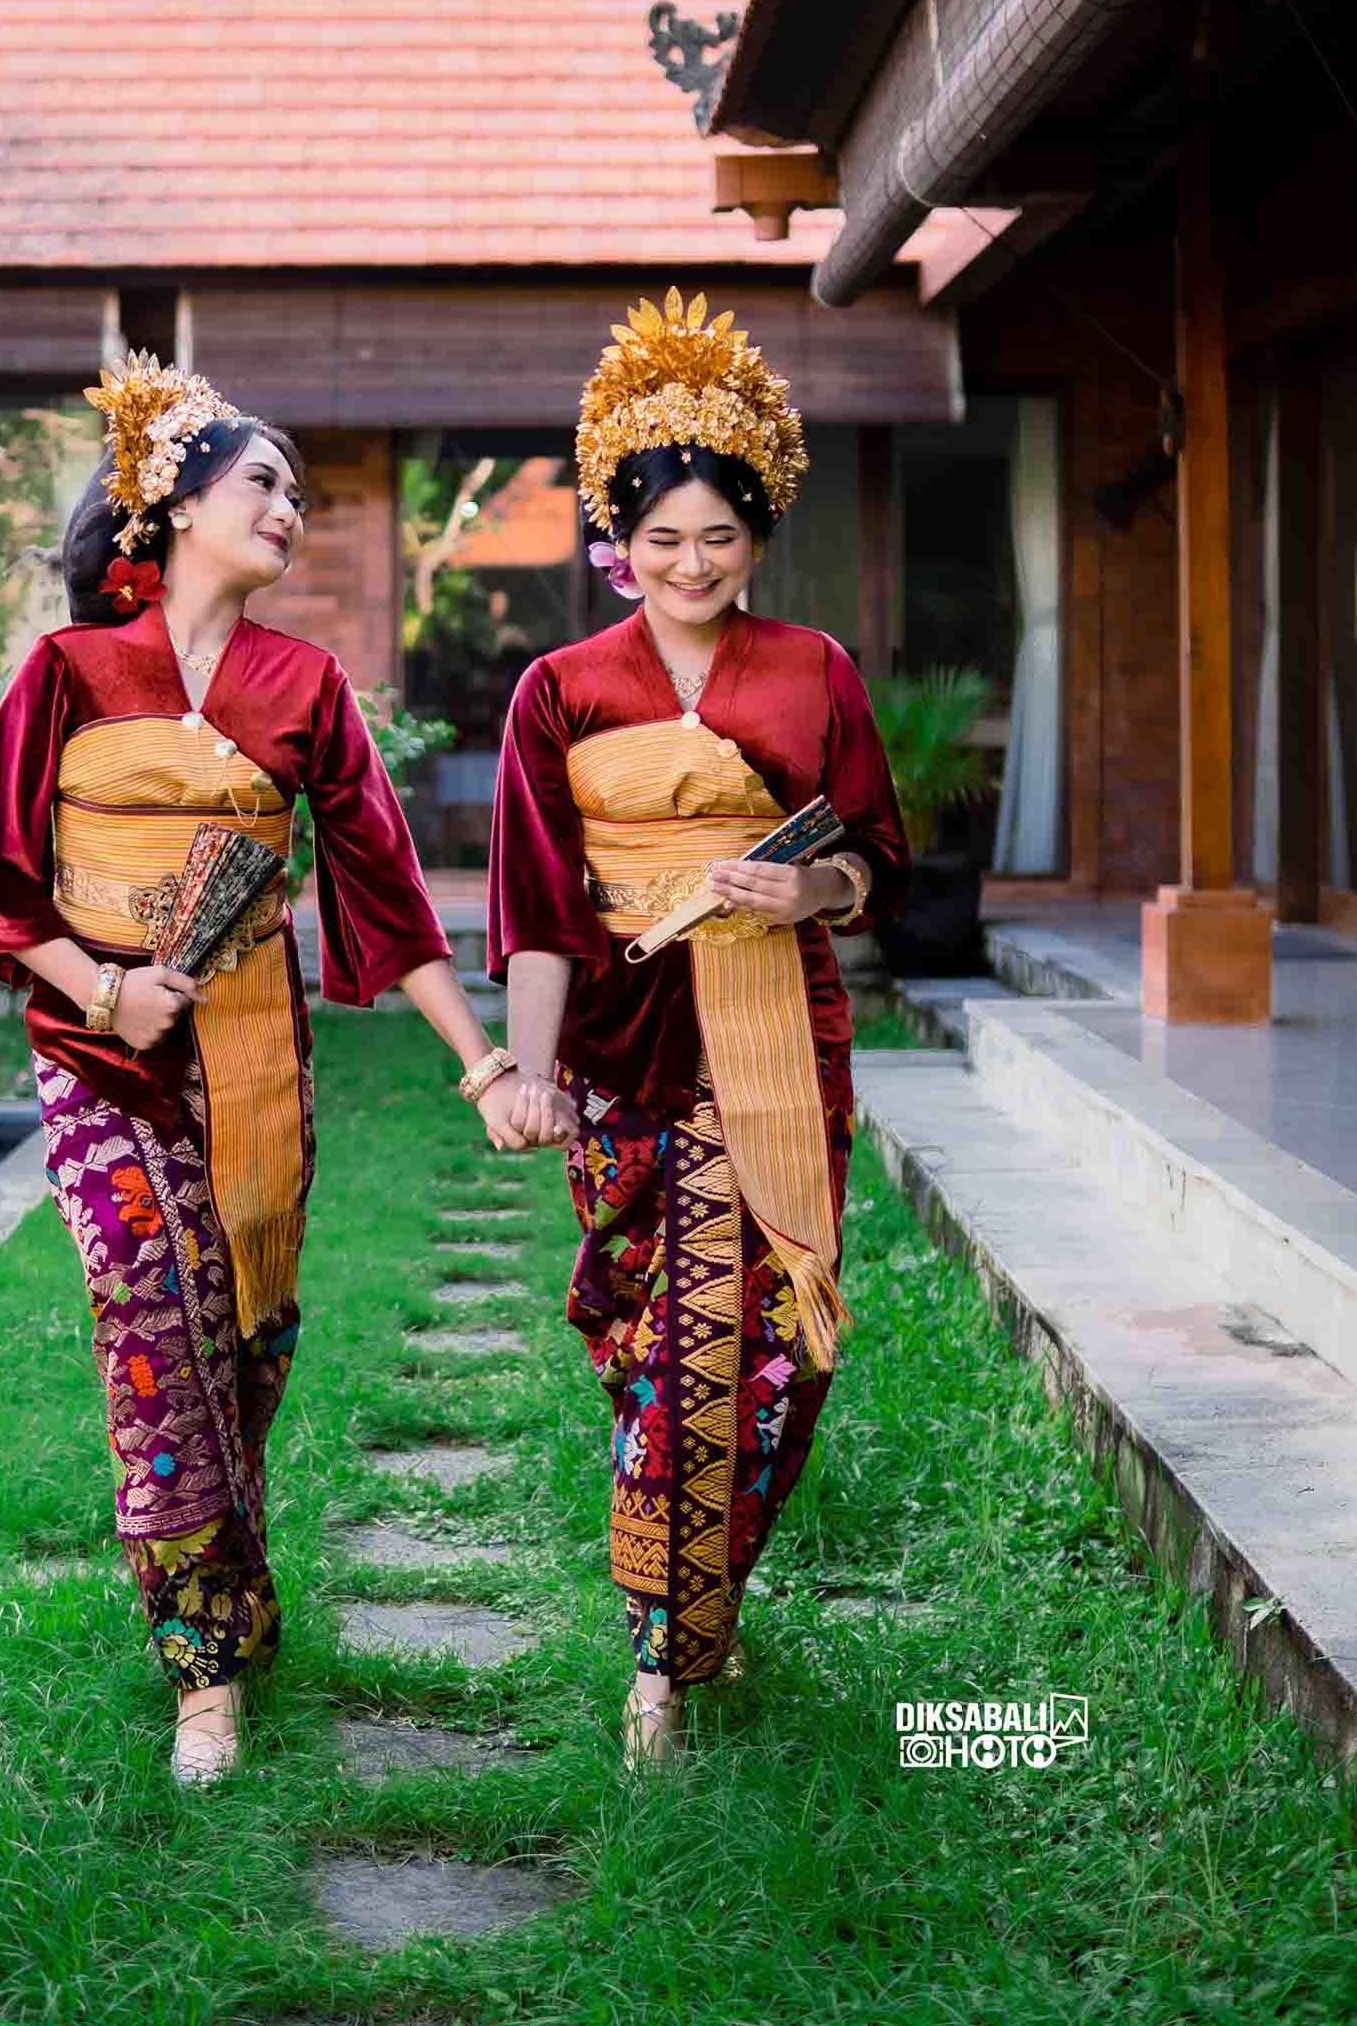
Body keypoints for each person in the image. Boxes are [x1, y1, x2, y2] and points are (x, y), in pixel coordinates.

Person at [0, 351, 529, 1785]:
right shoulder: (66, 675)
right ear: (179, 503)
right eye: (264, 483)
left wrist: (484, 1062)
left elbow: (385, 893)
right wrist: (104, 989)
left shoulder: (305, 686)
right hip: (97, 1054)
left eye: (299, 495)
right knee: (154, 1320)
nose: (289, 510)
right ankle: (204, 1672)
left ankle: (228, 1601)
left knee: (242, 1340)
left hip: (255, 1060)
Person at [487, 290, 909, 1770]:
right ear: (618, 537)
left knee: (764, 1343)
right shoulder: (557, 689)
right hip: (617, 1045)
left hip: (774, 1037)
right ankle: (680, 1631)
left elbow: (877, 857)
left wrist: (810, 887)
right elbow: (538, 904)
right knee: (650, 1346)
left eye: (719, 536)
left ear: (759, 532)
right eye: (662, 537)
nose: (691, 564)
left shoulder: (813, 670)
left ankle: (667, 1653)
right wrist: (530, 1072)